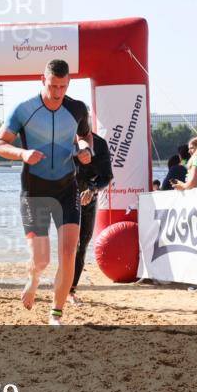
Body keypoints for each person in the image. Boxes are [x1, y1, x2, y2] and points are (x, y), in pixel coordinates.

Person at [0, 59, 92, 325]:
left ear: (68, 83)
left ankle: (56, 314)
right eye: (52, 86)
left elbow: (85, 135)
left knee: (69, 253)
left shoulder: (77, 108)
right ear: (42, 80)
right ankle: (33, 279)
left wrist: (86, 149)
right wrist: (22, 153)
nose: (57, 93)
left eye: (62, 87)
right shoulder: (24, 110)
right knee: (41, 260)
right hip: (34, 191)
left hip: (66, 188)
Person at [71, 131, 113, 305]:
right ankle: (62, 285)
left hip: (88, 196)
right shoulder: (62, 137)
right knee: (68, 244)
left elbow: (107, 176)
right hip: (66, 196)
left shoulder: (99, 143)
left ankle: (71, 290)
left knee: (82, 244)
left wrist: (93, 189)